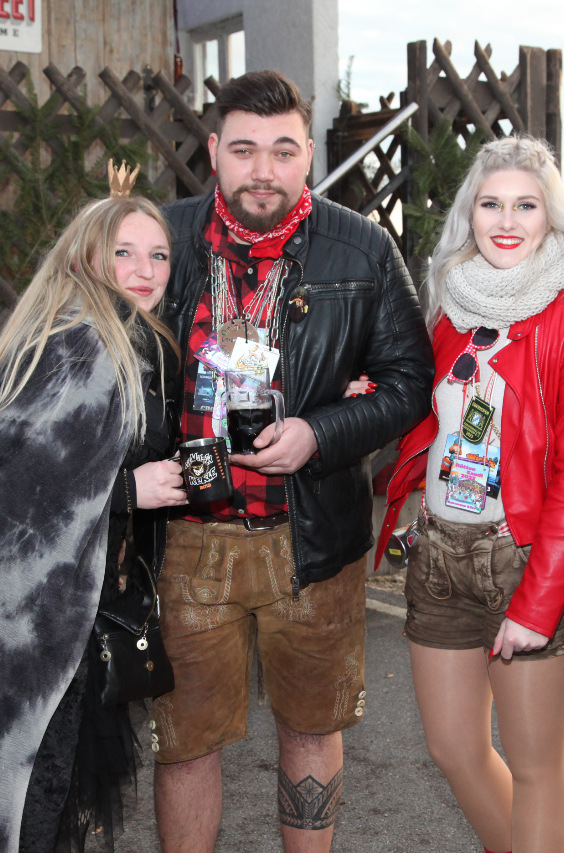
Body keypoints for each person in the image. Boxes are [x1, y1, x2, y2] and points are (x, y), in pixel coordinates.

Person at [152, 69, 433, 852]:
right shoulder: (160, 237)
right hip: (185, 536)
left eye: (283, 150)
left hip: (309, 537)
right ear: (213, 150)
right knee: (184, 740)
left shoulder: (363, 247)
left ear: (309, 153)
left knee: (311, 728)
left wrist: (322, 431)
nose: (263, 170)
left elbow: (411, 382)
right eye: (244, 150)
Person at [0, 186, 185, 852]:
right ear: (84, 259)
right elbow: (12, 486)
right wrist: (127, 490)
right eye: (124, 252)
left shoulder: (112, 336)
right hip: (35, 626)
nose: (145, 270)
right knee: (32, 794)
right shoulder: (77, 344)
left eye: (159, 254)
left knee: (54, 795)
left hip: (62, 606)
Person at [377, 136, 564, 853]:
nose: (506, 221)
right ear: (469, 214)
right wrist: (378, 398)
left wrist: (538, 604)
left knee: (536, 766)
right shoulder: (449, 307)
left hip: (528, 558)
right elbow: (433, 418)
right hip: (439, 553)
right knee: (453, 747)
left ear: (551, 218)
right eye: (491, 204)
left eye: (526, 205)